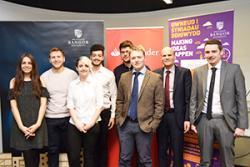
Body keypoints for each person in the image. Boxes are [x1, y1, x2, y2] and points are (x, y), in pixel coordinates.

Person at [189, 39, 249, 167]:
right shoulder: (198, 72)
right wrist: (193, 120)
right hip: (204, 120)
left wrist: (241, 125)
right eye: (207, 52)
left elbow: (241, 98)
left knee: (227, 160)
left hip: (225, 121)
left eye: (214, 51)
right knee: (204, 160)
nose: (210, 55)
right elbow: (193, 98)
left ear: (221, 52)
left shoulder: (234, 69)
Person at [116, 45, 164, 167]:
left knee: (145, 160)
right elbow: (120, 100)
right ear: (130, 59)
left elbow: (159, 104)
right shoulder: (124, 77)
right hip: (125, 125)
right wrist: (119, 118)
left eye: (139, 57)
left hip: (144, 125)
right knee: (124, 159)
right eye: (133, 58)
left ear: (144, 58)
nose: (136, 60)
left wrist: (153, 125)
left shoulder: (155, 78)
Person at [9, 53, 48, 167]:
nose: (27, 65)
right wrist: (21, 126)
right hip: (21, 125)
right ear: (20, 65)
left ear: (33, 65)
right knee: (28, 158)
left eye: (29, 63)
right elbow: (13, 106)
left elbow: (43, 104)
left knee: (35, 158)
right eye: (24, 63)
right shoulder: (13, 82)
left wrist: (37, 124)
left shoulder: (40, 81)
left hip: (37, 124)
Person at [155, 47, 192, 167]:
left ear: (174, 56)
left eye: (169, 55)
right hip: (161, 117)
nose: (166, 58)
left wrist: (187, 119)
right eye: (164, 55)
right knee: (162, 150)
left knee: (177, 150)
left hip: (177, 117)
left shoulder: (184, 73)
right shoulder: (155, 74)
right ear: (161, 58)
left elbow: (188, 98)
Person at [41, 47, 77, 167]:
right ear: (49, 60)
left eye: (58, 57)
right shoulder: (44, 77)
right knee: (52, 150)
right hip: (50, 118)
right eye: (53, 57)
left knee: (72, 150)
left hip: (69, 118)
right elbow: (43, 100)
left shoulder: (72, 75)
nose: (56, 59)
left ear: (64, 58)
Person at [67, 56, 103, 167]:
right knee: (73, 156)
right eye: (81, 66)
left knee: (90, 156)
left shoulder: (96, 83)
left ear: (90, 67)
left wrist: (91, 122)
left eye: (86, 65)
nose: (83, 68)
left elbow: (99, 105)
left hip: (92, 124)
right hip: (74, 124)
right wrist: (77, 122)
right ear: (76, 68)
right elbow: (70, 105)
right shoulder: (72, 85)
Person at [89, 44, 117, 167]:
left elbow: (114, 95)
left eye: (99, 55)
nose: (96, 58)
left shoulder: (109, 74)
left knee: (102, 144)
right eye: (94, 55)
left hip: (105, 112)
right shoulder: (84, 71)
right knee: (90, 144)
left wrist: (113, 115)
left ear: (102, 57)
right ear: (90, 56)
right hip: (89, 113)